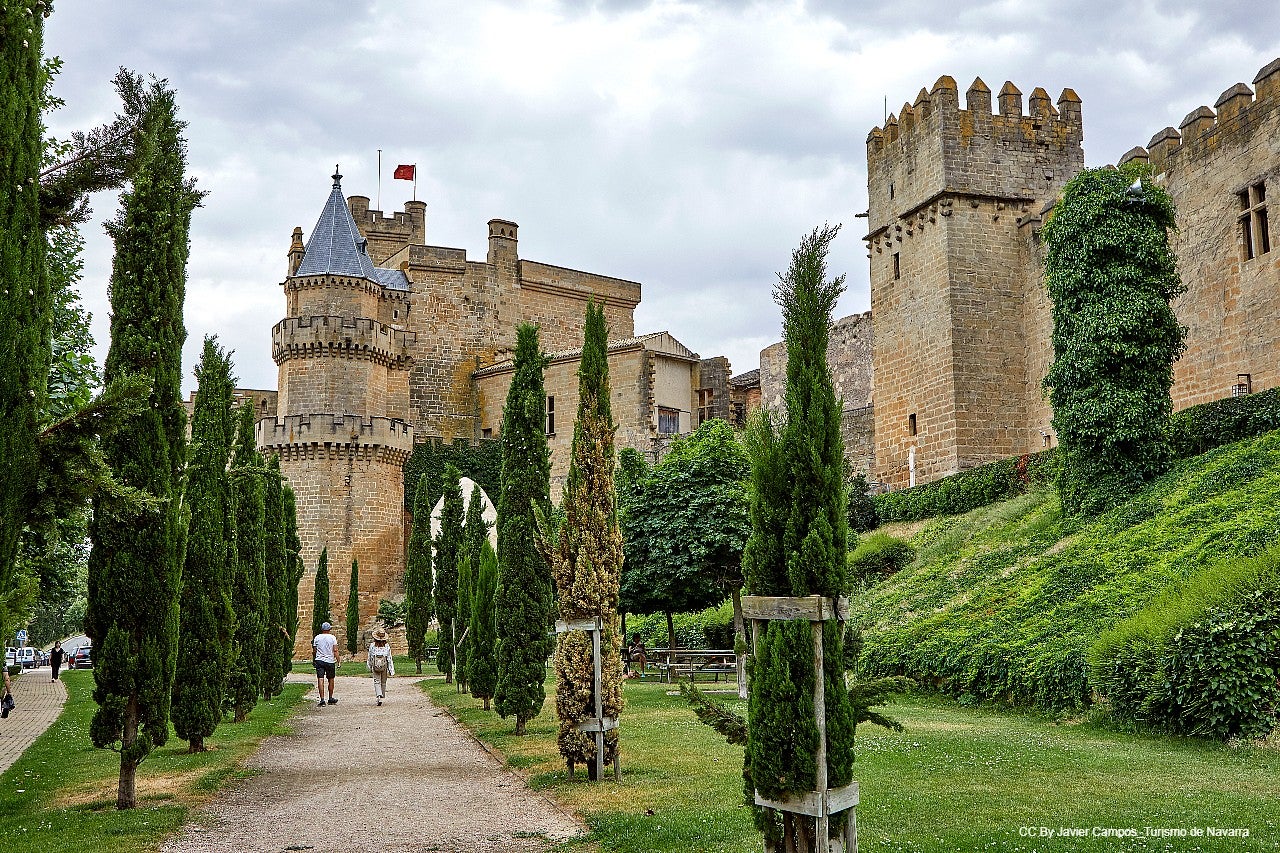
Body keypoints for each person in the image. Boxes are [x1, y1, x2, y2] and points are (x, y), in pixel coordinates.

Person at [312, 622, 340, 707]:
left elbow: (314, 650)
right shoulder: (332, 638)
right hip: (330, 661)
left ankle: (322, 699)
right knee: (331, 679)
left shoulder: (317, 637)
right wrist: (338, 661)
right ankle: (330, 698)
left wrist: (314, 659)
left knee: (320, 679)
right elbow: (335, 650)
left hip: (319, 660)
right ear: (329, 629)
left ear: (322, 629)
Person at [366, 627, 395, 706]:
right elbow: (389, 658)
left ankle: (378, 695)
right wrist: (391, 669)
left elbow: (370, 657)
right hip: (384, 665)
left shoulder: (372, 645)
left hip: (375, 665)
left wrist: (369, 666)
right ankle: (382, 695)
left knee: (377, 681)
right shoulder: (386, 646)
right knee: (383, 681)